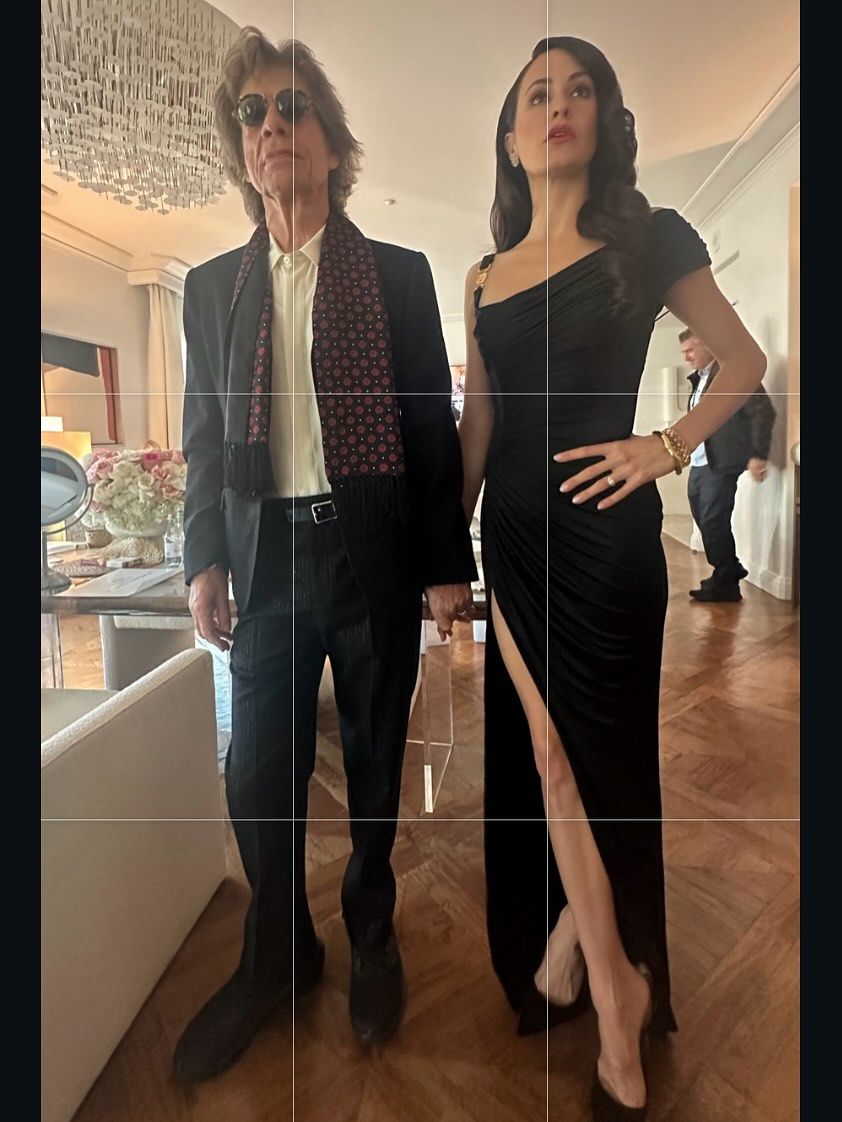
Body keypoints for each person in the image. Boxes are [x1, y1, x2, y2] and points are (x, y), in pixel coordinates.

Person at [458, 37, 766, 1120]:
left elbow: (743, 362)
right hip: (513, 540)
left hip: (606, 540)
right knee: (546, 759)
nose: (559, 106)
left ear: (602, 119)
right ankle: (603, 979)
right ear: (510, 137)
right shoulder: (482, 277)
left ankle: (606, 977)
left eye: (579, 90)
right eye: (538, 94)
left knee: (599, 769)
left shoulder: (648, 235)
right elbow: (480, 422)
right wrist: (446, 549)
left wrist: (666, 446)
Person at [174, 29, 475, 1081]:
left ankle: (372, 930)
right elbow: (203, 433)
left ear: (333, 143)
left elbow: (428, 428)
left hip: (369, 557)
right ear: (240, 147)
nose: (271, 125)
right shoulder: (210, 288)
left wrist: (447, 563)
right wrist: (202, 559)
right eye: (252, 113)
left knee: (378, 756)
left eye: (292, 106)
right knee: (259, 772)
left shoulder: (396, 274)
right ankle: (278, 956)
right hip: (262, 562)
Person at [679, 328, 776, 601]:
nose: (686, 357)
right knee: (703, 517)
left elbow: (763, 411)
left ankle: (726, 580)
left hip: (721, 461)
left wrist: (758, 454)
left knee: (713, 520)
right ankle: (729, 570)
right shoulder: (699, 379)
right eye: (684, 352)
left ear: (706, 344)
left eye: (690, 350)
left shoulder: (731, 374)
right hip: (699, 461)